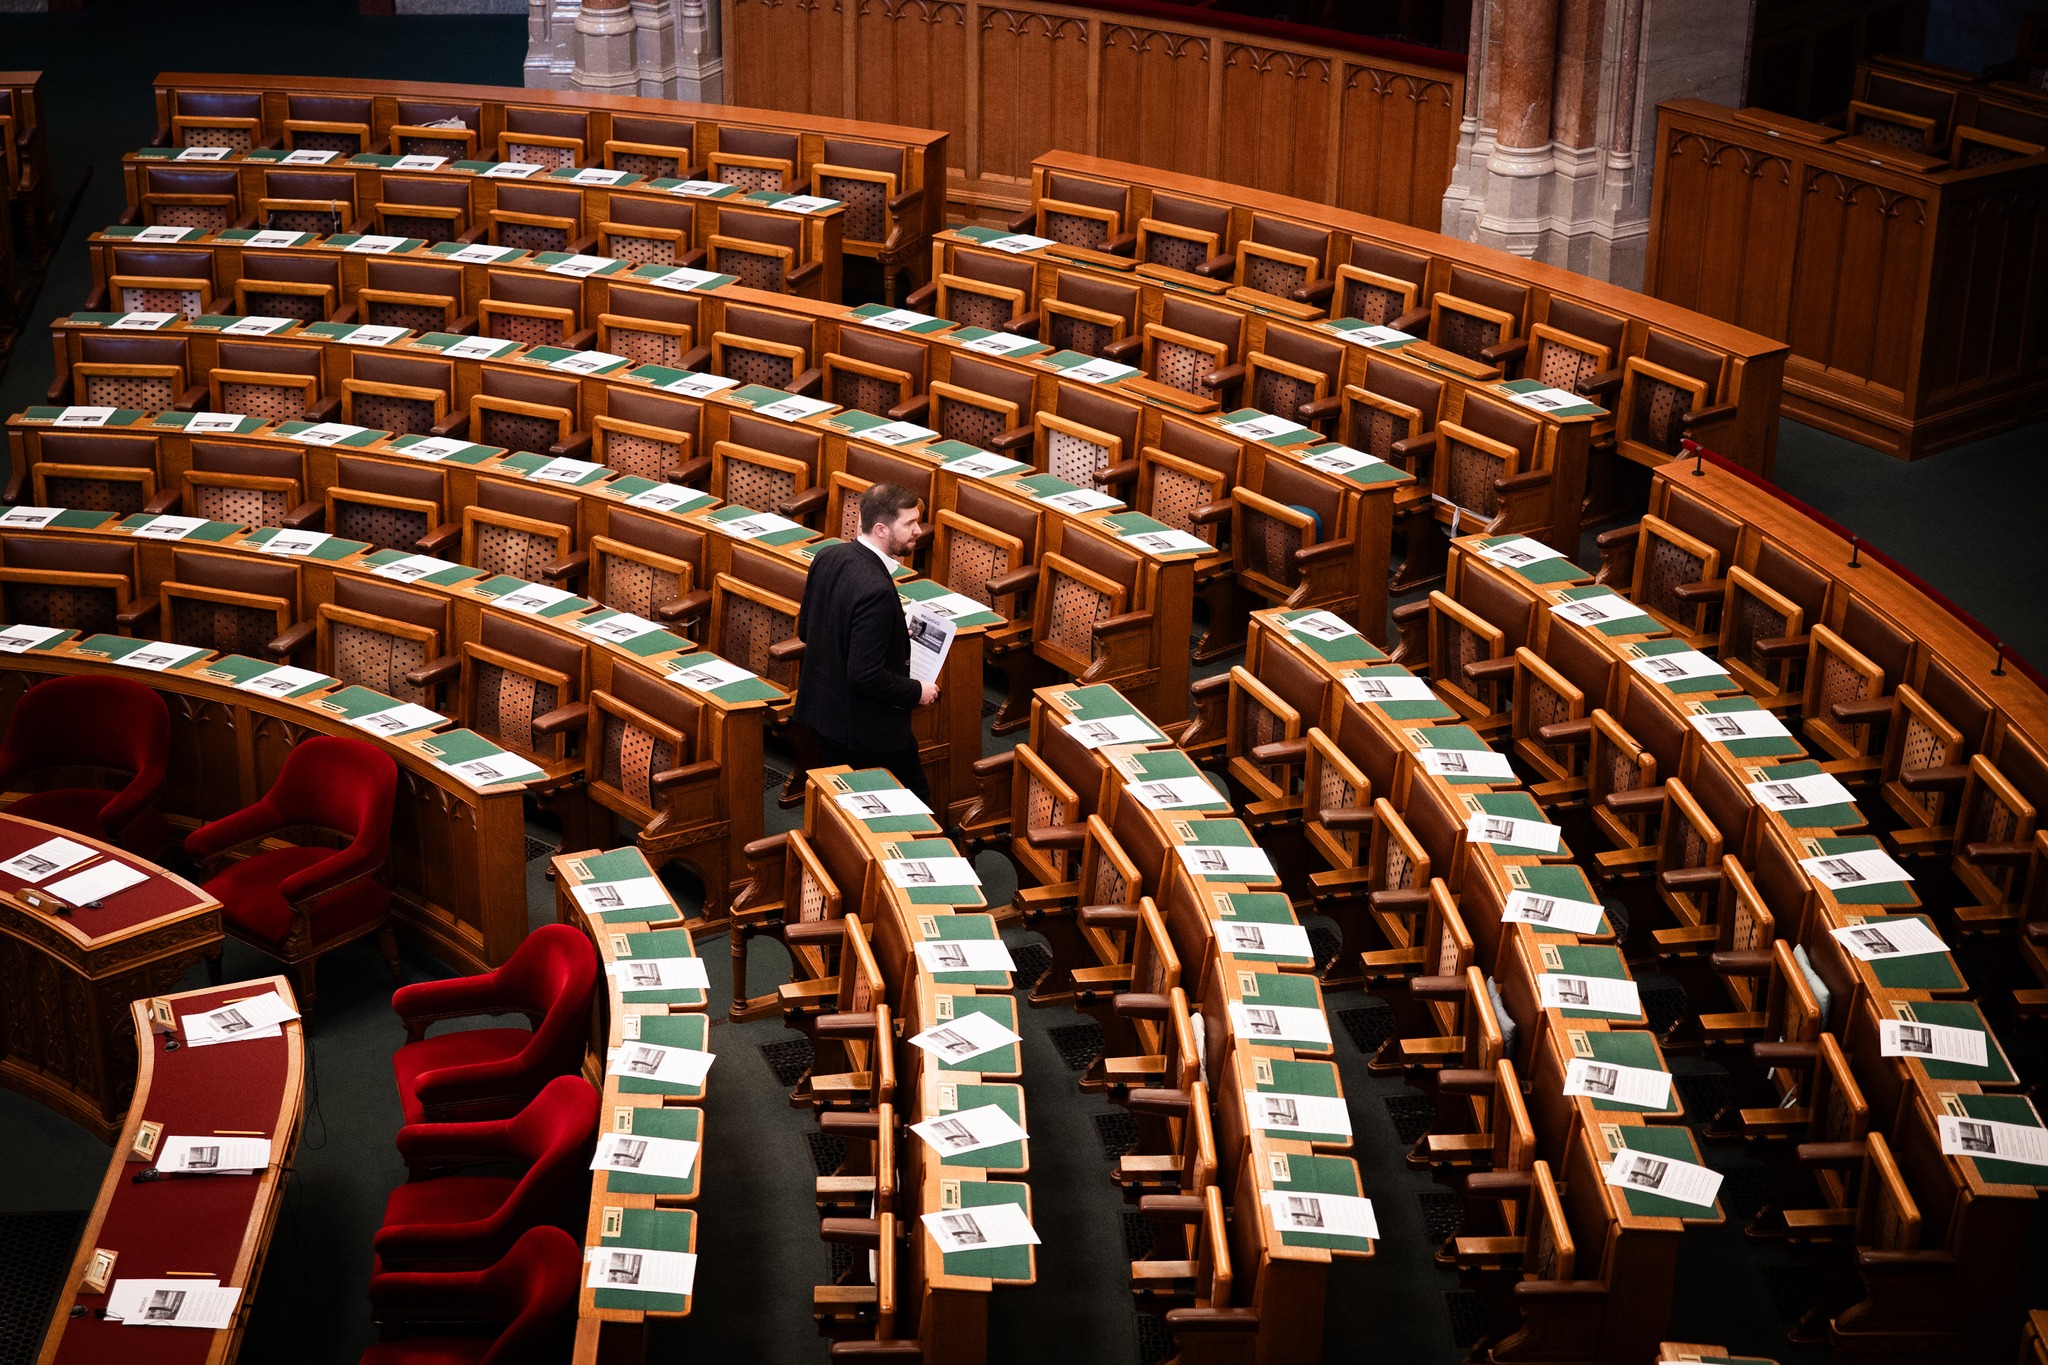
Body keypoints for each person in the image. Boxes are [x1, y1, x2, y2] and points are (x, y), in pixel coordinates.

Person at [793, 484, 940, 802]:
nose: (918, 531)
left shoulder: (828, 555)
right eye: (909, 524)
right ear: (881, 529)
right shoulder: (876, 590)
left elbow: (808, 630)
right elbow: (864, 674)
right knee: (917, 804)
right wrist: (918, 691)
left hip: (823, 713)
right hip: (865, 731)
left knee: (844, 809)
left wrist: (889, 633)